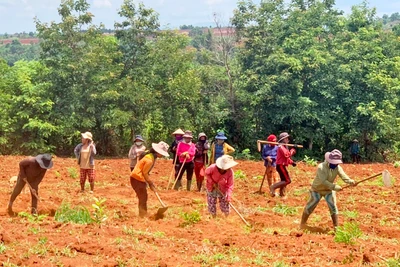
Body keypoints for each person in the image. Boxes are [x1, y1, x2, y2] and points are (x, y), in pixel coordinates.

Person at [300, 149, 356, 230]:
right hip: (317, 189)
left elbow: (344, 177)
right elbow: (323, 181)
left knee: (333, 206)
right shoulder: (321, 167)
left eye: (336, 163)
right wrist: (334, 187)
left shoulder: (337, 168)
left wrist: (351, 182)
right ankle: (302, 224)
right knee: (310, 205)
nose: (335, 164)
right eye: (334, 162)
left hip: (328, 191)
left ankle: (336, 228)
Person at [130, 141, 170, 217]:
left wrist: (149, 183)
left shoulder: (150, 156)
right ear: (158, 153)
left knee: (143, 197)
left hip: (137, 178)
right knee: (143, 197)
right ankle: (142, 215)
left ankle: (142, 214)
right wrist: (150, 183)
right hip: (137, 178)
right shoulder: (149, 160)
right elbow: (145, 173)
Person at [269, 132, 296, 198]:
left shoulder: (284, 147)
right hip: (280, 165)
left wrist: (292, 162)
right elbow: (287, 155)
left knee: (284, 181)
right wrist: (292, 151)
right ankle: (273, 187)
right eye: (286, 138)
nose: (288, 140)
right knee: (287, 180)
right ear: (283, 139)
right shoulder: (281, 147)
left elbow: (286, 158)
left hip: (282, 165)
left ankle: (282, 194)